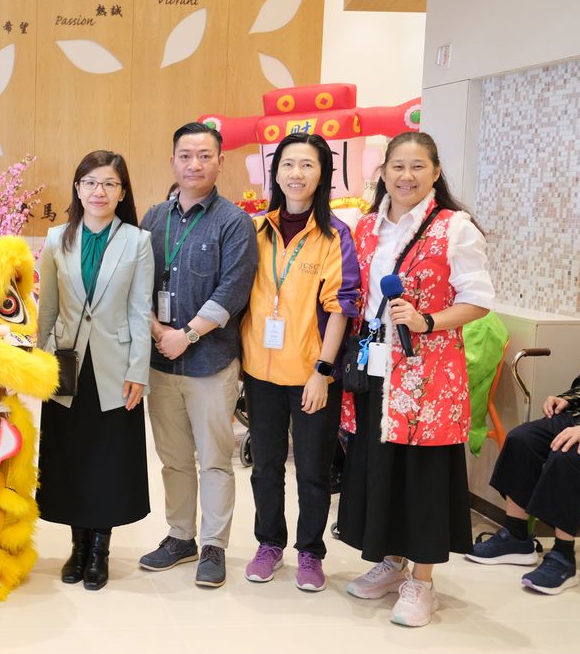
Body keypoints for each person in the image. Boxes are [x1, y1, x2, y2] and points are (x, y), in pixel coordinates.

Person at [337, 131, 494, 627]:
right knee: (380, 468)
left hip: (429, 376)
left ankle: (422, 582)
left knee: (422, 476)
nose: (406, 176)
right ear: (382, 172)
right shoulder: (365, 226)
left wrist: (427, 320)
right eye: (397, 166)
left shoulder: (455, 228)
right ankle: (390, 562)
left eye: (418, 166)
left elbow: (477, 300)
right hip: (375, 371)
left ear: (436, 172)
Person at [239, 133, 360, 592]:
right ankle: (269, 543)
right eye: (288, 164)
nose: (296, 174)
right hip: (260, 372)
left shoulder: (334, 234)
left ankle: (310, 552)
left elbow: (340, 307)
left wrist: (323, 372)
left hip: (312, 374)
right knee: (266, 467)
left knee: (312, 470)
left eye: (307, 165)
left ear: (323, 173)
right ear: (275, 173)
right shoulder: (255, 229)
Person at [139, 122, 257, 587]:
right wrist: (157, 330)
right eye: (186, 155)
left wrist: (185, 335)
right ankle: (180, 537)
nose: (194, 164)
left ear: (220, 162)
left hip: (211, 362)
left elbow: (233, 290)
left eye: (205, 156)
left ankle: (213, 545)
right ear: (172, 160)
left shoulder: (234, 221)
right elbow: (138, 282)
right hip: (161, 361)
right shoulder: (153, 218)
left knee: (214, 459)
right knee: (172, 458)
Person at [36, 150, 153, 591]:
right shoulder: (56, 239)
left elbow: (140, 311)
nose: (98, 191)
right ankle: (78, 546)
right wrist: (38, 362)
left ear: (122, 192)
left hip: (115, 367)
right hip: (65, 365)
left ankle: (100, 550)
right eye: (90, 182)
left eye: (109, 184)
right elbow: (48, 309)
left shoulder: (137, 241)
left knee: (108, 458)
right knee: (70, 456)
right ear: (78, 188)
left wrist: (138, 370)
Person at [465, 324, 580, 594]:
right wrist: (566, 399)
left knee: (566, 454)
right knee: (522, 439)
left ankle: (563, 558)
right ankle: (516, 537)